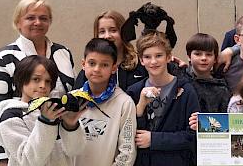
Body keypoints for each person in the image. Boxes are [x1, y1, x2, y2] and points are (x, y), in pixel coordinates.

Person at [0, 0, 76, 165]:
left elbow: (70, 93)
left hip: (60, 148)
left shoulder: (63, 52)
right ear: (18, 22)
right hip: (24, 145)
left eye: (43, 18)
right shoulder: (3, 57)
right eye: (30, 17)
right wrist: (2, 157)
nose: (37, 22)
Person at [0, 56, 86, 166]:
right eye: (36, 79)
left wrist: (71, 126)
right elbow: (29, 161)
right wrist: (46, 122)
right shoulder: (11, 115)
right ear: (22, 79)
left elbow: (75, 151)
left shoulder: (57, 110)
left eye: (48, 81)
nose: (43, 86)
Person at [127, 31, 199, 166]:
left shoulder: (186, 90)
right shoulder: (134, 91)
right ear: (141, 60)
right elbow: (128, 135)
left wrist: (154, 140)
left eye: (159, 55)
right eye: (147, 57)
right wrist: (140, 107)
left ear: (168, 57)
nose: (153, 61)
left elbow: (192, 136)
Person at [74, 38, 137, 166]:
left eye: (104, 65)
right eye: (92, 63)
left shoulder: (125, 103)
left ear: (114, 68)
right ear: (83, 64)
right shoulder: (72, 100)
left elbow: (127, 151)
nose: (97, 69)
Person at [75, 11, 144, 90]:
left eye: (113, 30)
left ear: (124, 32)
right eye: (102, 32)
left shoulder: (140, 63)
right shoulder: (90, 69)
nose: (107, 36)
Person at [183, 33, 231, 113]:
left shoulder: (222, 89)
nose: (204, 58)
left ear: (215, 59)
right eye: (198, 54)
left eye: (209, 54)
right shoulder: (180, 78)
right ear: (189, 56)